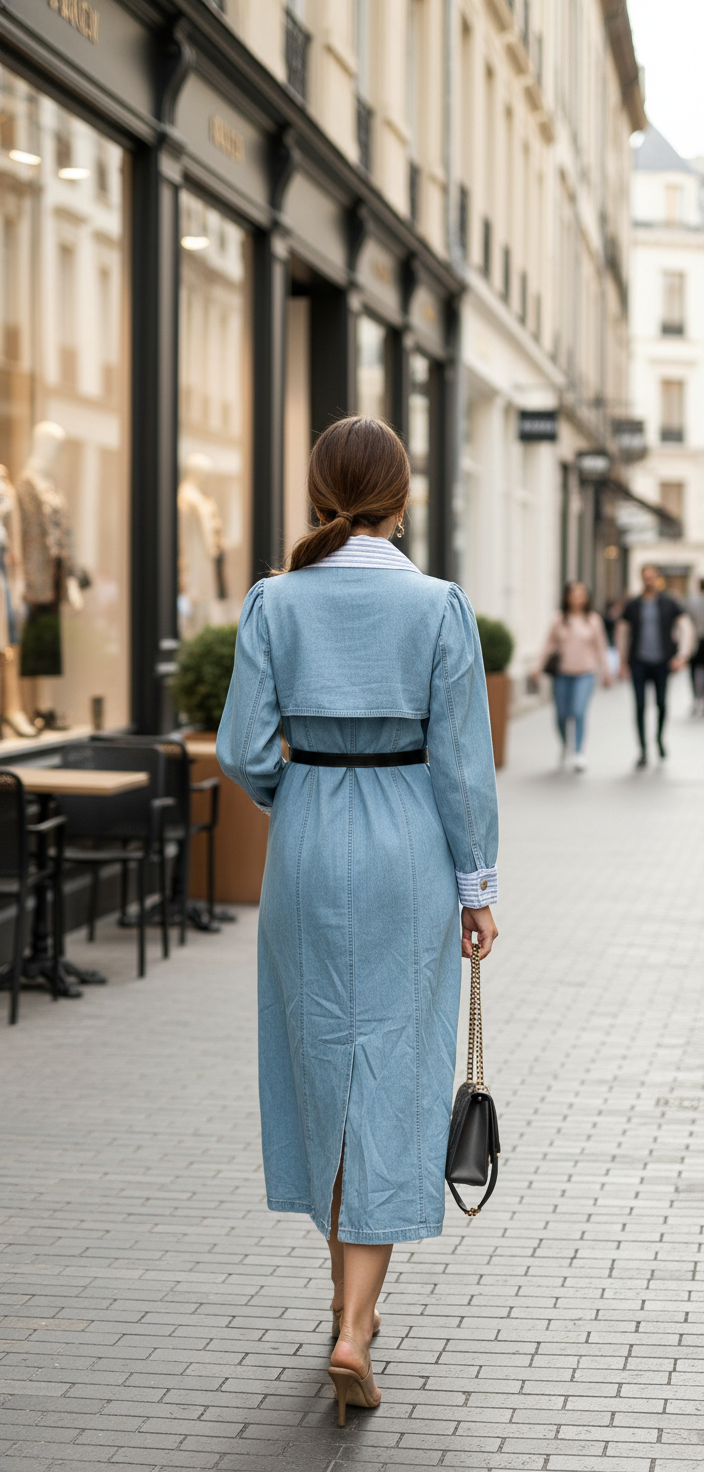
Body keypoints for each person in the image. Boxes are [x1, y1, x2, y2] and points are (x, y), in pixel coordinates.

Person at [216, 417, 499, 1425]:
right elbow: (462, 761)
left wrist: (294, 796)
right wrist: (477, 887)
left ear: (316, 491)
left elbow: (242, 749)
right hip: (407, 848)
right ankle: (354, 1321)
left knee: (317, 1063)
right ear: (403, 497)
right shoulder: (437, 605)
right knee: (394, 1069)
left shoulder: (273, 600)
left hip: (305, 838)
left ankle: (348, 1311)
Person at [617, 564, 691, 768]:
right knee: (640, 705)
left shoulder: (669, 603)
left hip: (662, 662)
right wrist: (622, 662)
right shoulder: (633, 605)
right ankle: (642, 749)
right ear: (641, 578)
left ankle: (659, 738)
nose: (648, 580)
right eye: (645, 576)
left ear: (657, 577)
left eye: (652, 576)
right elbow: (622, 632)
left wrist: (682, 655)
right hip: (638, 662)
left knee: (661, 704)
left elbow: (685, 627)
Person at [533, 581, 611, 772]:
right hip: (562, 674)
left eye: (581, 594)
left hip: (585, 674)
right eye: (573, 594)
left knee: (578, 712)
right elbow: (548, 645)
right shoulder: (559, 619)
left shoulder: (593, 620)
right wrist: (537, 667)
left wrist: (606, 671)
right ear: (567, 597)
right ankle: (565, 745)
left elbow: (601, 648)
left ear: (586, 598)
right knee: (561, 715)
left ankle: (578, 753)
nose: (577, 598)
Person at [685, 576, 704, 715]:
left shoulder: (691, 602)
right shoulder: (692, 601)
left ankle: (697, 698)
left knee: (694, 672)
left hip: (695, 641)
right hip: (696, 641)